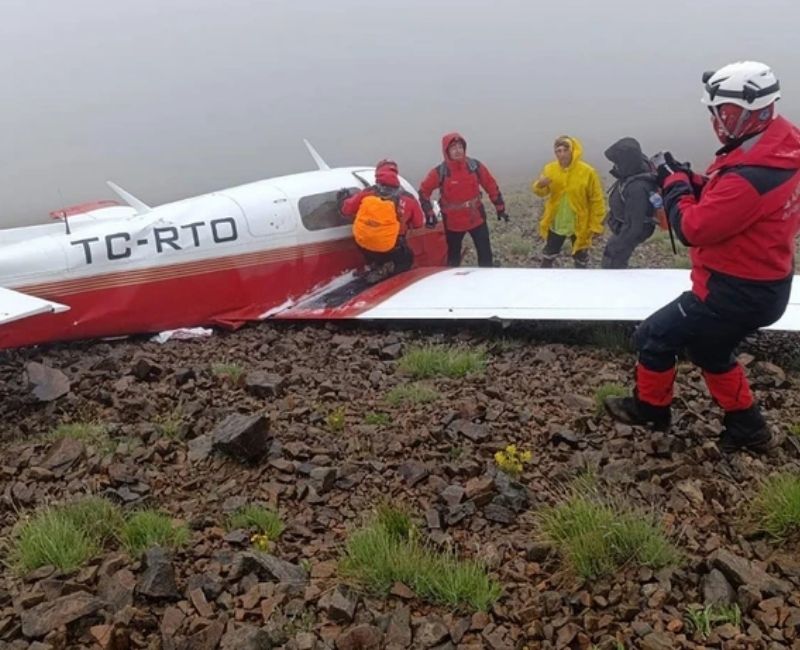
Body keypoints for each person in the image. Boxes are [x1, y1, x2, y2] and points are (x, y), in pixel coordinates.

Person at [605, 61, 800, 453]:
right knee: (710, 350)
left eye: (724, 111)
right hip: (765, 283)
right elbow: (731, 198)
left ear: (753, 110)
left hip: (730, 291)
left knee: (653, 336)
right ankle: (749, 429)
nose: (718, 121)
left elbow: (692, 228)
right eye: (716, 112)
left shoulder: (752, 175)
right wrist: (693, 181)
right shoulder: (778, 151)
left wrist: (675, 184)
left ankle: (650, 410)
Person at [418, 132, 509, 267]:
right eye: (453, 148)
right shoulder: (440, 172)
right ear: (446, 151)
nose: (458, 150)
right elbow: (423, 192)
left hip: (476, 217)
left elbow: (491, 185)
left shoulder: (474, 166)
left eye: (460, 147)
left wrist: (500, 208)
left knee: (485, 255)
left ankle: (487, 276)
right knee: (453, 259)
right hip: (453, 223)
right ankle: (453, 278)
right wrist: (429, 214)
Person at [338, 159, 424, 282]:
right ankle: (388, 269)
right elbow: (418, 223)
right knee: (407, 259)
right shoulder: (408, 198)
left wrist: (344, 198)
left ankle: (376, 265)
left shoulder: (368, 193)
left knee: (371, 245)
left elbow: (346, 210)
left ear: (378, 174)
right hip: (390, 248)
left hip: (364, 245)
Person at [532, 135, 606, 268]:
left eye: (565, 150)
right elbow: (542, 192)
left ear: (573, 151)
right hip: (557, 221)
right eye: (558, 151)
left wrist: (596, 225)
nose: (562, 154)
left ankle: (581, 279)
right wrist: (539, 185)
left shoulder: (587, 171)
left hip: (579, 222)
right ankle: (543, 279)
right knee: (549, 255)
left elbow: (596, 199)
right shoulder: (550, 169)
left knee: (581, 258)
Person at [601, 137, 660, 269]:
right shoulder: (634, 170)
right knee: (614, 257)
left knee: (613, 263)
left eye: (618, 162)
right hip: (625, 228)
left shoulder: (637, 188)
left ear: (626, 161)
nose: (615, 165)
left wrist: (617, 247)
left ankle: (616, 278)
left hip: (629, 231)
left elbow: (634, 226)